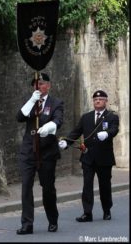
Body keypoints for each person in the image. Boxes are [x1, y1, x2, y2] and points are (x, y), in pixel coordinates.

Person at [59, 90, 119, 222]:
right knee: (87, 185)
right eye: (95, 99)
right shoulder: (86, 117)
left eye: (101, 99)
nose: (98, 101)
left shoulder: (111, 117)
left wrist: (107, 134)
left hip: (104, 158)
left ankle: (106, 210)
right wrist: (67, 142)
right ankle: (87, 213)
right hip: (88, 157)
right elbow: (76, 132)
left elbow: (114, 129)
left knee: (105, 186)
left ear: (105, 101)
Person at [16, 73, 64, 234]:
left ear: (48, 85)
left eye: (42, 83)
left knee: (48, 187)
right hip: (29, 150)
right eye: (36, 84)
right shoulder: (30, 101)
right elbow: (20, 117)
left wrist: (50, 126)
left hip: (47, 152)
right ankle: (27, 224)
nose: (38, 86)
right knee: (26, 187)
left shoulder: (55, 102)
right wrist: (31, 100)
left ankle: (52, 219)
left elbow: (58, 120)